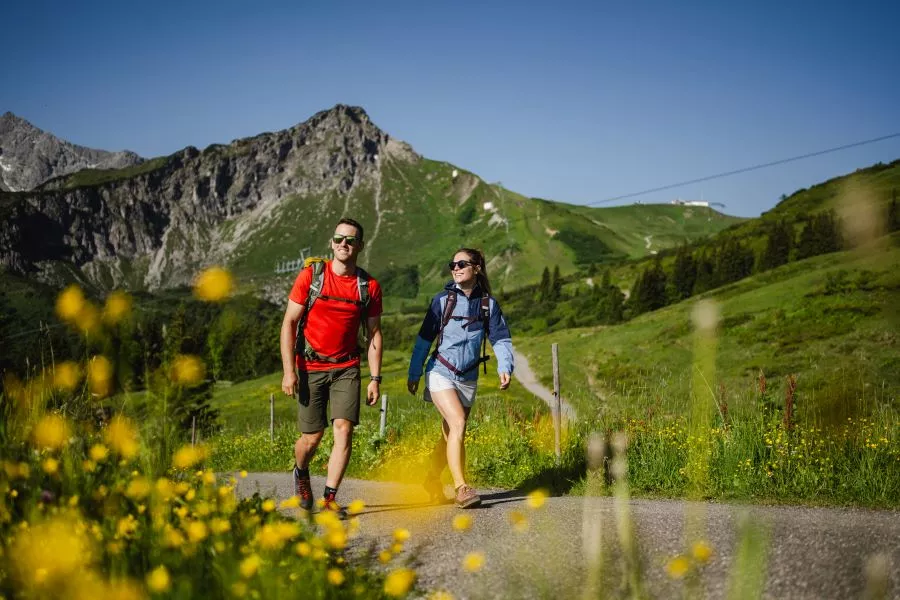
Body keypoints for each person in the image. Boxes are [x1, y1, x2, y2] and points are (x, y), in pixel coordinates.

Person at [280, 217, 383, 514]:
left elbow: (374, 333)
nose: (343, 244)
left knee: (344, 428)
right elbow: (289, 322)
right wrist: (289, 372)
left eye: (350, 241)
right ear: (332, 243)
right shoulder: (311, 277)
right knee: (312, 438)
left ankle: (329, 499)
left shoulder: (369, 287)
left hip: (347, 366)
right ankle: (301, 471)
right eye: (338, 239)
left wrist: (375, 378)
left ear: (360, 246)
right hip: (310, 366)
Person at [407, 248, 514, 508]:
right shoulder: (443, 300)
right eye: (452, 264)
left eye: (461, 263)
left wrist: (505, 365)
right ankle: (462, 488)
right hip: (440, 371)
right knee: (457, 423)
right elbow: (424, 340)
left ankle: (432, 479)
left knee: (451, 434)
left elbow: (500, 338)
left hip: (468, 377)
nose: (455, 268)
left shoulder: (488, 304)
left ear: (477, 268)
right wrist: (414, 371)